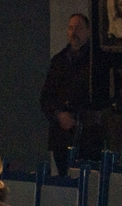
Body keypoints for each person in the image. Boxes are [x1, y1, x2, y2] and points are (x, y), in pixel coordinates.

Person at [39, 13, 97, 174]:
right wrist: (59, 115)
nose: (73, 32)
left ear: (88, 31)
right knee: (64, 179)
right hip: (62, 137)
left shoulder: (95, 61)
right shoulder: (59, 61)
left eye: (78, 28)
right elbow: (46, 97)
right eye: (71, 28)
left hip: (88, 137)